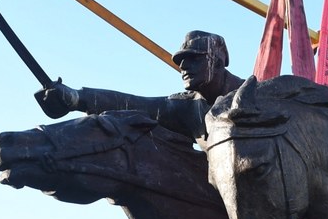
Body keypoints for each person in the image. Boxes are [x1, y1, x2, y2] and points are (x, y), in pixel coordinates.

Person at [37, 30, 244, 141]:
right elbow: (134, 104)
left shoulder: (258, 97)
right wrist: (75, 98)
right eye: (181, 61)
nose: (183, 66)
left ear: (217, 62)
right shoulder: (188, 108)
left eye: (193, 59)